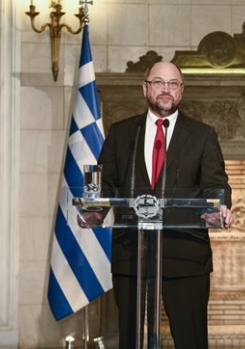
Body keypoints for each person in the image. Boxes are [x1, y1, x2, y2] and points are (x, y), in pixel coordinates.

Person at [97, 60, 233, 348]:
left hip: (185, 253)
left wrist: (219, 206)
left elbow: (216, 184)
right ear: (145, 88)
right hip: (131, 252)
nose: (166, 89)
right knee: (131, 340)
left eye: (173, 83)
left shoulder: (202, 134)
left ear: (181, 90)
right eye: (158, 82)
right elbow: (105, 184)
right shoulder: (122, 132)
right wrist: (93, 209)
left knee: (190, 340)